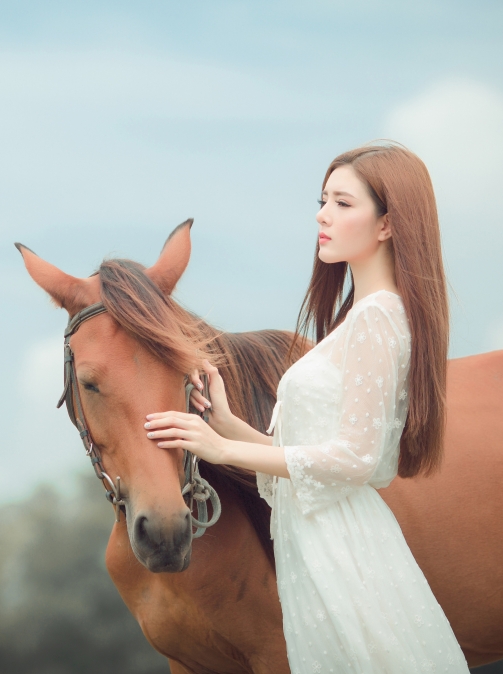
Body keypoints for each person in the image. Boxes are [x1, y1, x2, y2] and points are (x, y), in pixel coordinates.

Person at [144, 143, 469, 672]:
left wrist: (219, 447)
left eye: (343, 203)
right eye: (323, 201)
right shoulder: (359, 320)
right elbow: (308, 459)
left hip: (342, 548)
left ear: (387, 225)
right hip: (315, 542)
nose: (322, 215)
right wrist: (228, 425)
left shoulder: (377, 321)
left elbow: (355, 461)